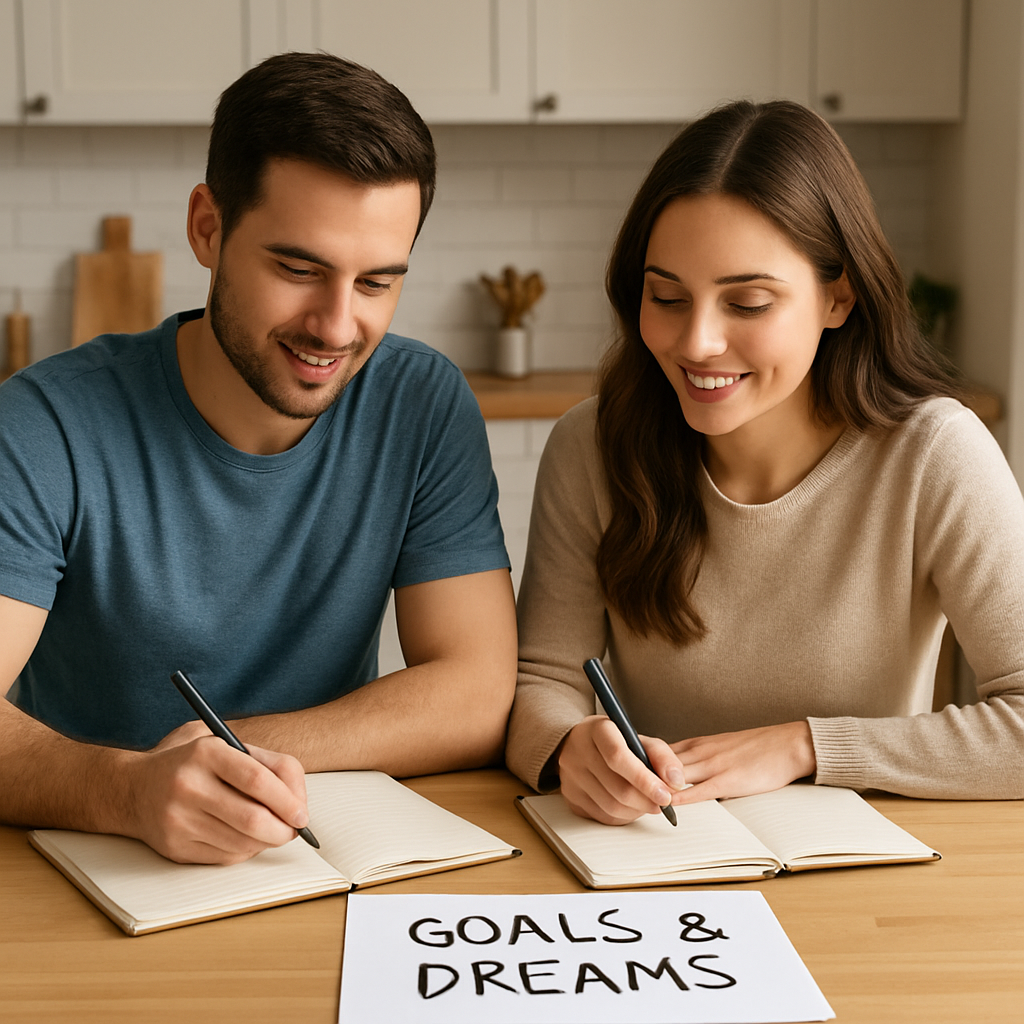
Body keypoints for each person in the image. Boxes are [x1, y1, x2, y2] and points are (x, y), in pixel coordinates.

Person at [0, 53, 517, 863]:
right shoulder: (43, 425)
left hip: (318, 849)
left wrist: (232, 748)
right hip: (91, 864)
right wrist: (127, 788)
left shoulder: (420, 403)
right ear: (208, 227)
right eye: (298, 269)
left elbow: (477, 691)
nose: (337, 326)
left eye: (377, 282)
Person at [505, 99, 1024, 824]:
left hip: (870, 880)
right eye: (667, 296)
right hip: (668, 861)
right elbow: (541, 679)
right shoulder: (592, 447)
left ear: (837, 297)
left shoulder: (935, 454)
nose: (698, 343)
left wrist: (804, 747)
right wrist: (568, 745)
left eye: (747, 302)